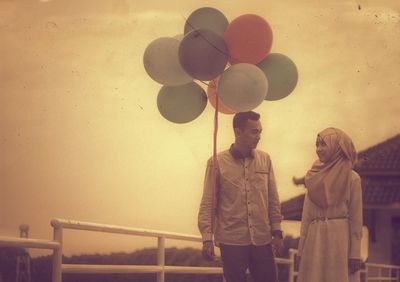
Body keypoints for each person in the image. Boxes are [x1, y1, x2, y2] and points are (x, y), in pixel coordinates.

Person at [198, 111, 283, 282]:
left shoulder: (265, 159)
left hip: (262, 239)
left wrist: (277, 232)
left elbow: (273, 198)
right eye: (254, 132)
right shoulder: (216, 162)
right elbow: (208, 203)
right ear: (238, 132)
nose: (259, 136)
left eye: (260, 131)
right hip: (232, 241)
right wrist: (207, 238)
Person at [292, 127, 363, 282]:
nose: (318, 149)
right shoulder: (313, 177)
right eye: (317, 145)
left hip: (340, 241)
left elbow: (356, 220)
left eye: (323, 144)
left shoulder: (352, 178)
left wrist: (355, 253)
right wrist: (301, 250)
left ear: (336, 147)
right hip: (314, 242)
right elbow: (306, 217)